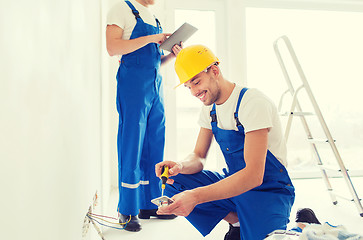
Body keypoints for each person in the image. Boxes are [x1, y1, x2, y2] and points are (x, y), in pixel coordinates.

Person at [155, 44, 295, 240]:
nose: (194, 92)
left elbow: (254, 176)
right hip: (234, 184)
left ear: (214, 71)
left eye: (196, 82)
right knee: (174, 180)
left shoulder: (252, 102)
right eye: (188, 87)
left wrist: (195, 196)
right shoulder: (209, 109)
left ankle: (306, 224)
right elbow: (198, 157)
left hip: (267, 191)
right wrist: (179, 166)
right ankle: (237, 221)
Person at [106, 0, 182, 232]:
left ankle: (149, 204)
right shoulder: (122, 8)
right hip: (133, 85)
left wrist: (172, 54)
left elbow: (156, 60)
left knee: (154, 144)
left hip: (155, 85)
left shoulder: (153, 16)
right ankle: (127, 210)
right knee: (132, 144)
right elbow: (113, 47)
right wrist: (152, 39)